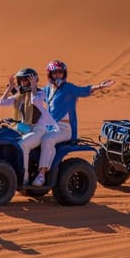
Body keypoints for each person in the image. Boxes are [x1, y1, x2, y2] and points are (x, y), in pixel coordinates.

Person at [36, 59, 114, 187]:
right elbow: (36, 94)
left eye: (60, 72)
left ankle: (42, 174)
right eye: (55, 73)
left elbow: (84, 90)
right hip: (50, 127)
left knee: (47, 139)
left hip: (64, 128)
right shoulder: (48, 89)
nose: (58, 75)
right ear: (50, 74)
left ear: (64, 73)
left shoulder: (68, 88)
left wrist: (99, 86)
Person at [0, 67, 57, 185]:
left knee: (22, 145)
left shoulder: (40, 93)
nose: (23, 82)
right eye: (21, 80)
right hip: (23, 129)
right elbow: (2, 103)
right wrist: (10, 87)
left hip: (38, 130)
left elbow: (35, 100)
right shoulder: (19, 97)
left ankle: (24, 178)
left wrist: (33, 86)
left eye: (26, 80)